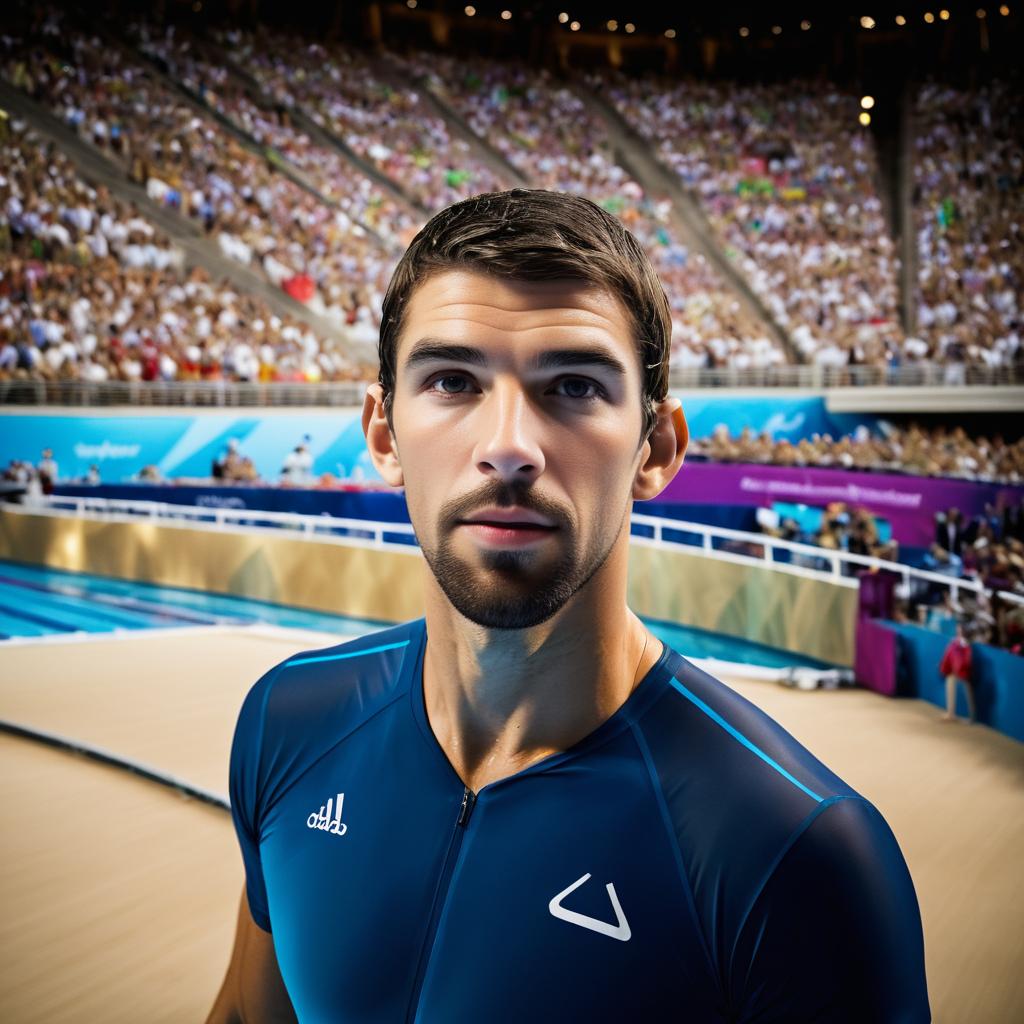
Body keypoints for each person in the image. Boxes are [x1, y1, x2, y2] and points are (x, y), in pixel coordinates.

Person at [209, 190, 930, 1023]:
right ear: (383, 434)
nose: (509, 446)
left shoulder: (796, 854)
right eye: (452, 380)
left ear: (657, 448)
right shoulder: (288, 724)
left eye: (575, 386)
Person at [939, 623, 975, 723]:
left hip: (963, 672)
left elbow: (965, 656)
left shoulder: (964, 643)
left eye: (960, 629)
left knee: (967, 692)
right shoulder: (955, 641)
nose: (958, 631)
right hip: (953, 671)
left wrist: (960, 669)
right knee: (950, 684)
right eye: (958, 629)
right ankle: (951, 714)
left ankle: (971, 717)